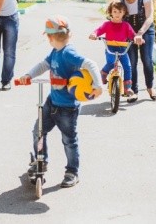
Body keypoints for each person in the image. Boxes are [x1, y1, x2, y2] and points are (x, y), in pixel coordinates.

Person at [18, 16, 103, 188]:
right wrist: (29, 75)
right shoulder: (55, 52)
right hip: (52, 102)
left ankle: (72, 172)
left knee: (69, 140)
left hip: (67, 108)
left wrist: (98, 85)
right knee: (38, 131)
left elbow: (91, 64)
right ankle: (41, 161)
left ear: (49, 38)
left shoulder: (68, 52)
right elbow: (43, 65)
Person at [117, 0, 156, 102]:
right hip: (129, 32)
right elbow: (115, 17)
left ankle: (150, 87)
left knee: (147, 60)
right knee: (131, 62)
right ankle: (133, 90)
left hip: (145, 30)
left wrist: (140, 33)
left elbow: (150, 17)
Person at [89, 0, 135, 96]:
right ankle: (103, 73)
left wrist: (137, 39)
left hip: (123, 49)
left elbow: (132, 35)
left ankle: (127, 88)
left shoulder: (126, 26)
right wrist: (94, 34)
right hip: (110, 47)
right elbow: (99, 30)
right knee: (111, 62)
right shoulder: (107, 24)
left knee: (128, 66)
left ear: (124, 13)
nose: (117, 14)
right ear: (110, 12)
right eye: (115, 11)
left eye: (120, 12)